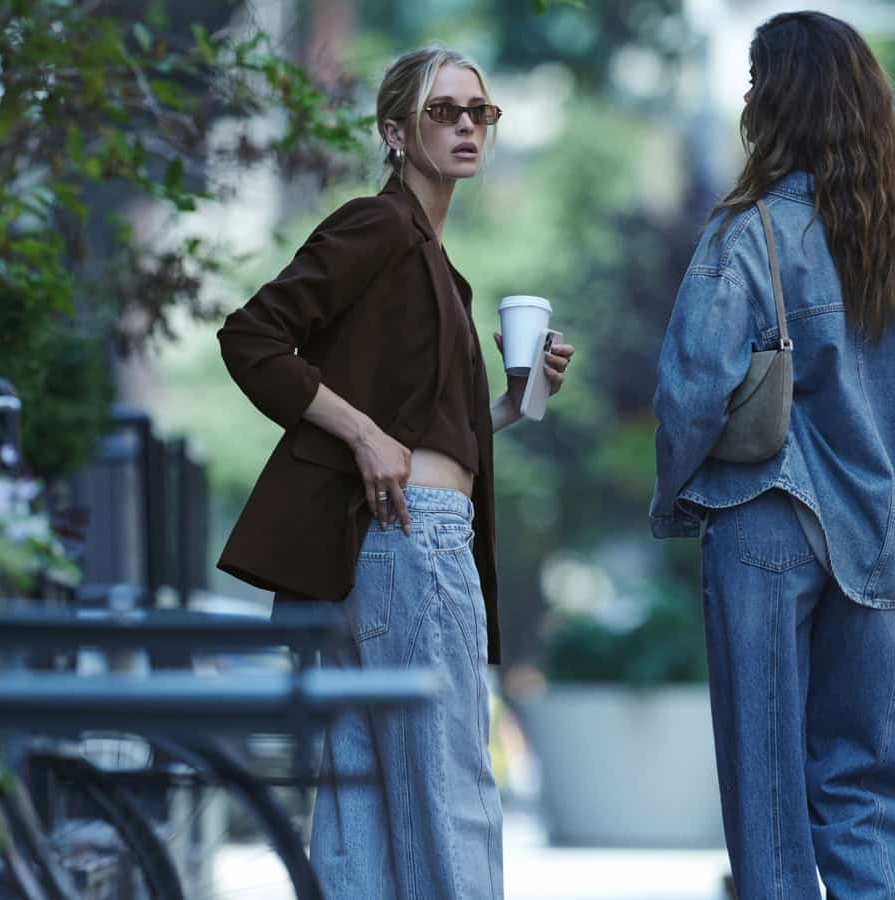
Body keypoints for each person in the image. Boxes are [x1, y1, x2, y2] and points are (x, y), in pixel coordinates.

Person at [214, 45, 573, 900]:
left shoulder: (441, 269)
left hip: (376, 544)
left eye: (479, 113)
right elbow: (251, 337)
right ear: (394, 131)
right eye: (442, 111)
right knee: (449, 793)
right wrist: (363, 434)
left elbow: (430, 441)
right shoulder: (378, 227)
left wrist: (518, 404)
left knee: (362, 806)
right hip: (409, 545)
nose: (465, 127)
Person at [652, 11, 895, 899]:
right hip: (874, 539)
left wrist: (676, 497)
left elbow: (691, 393)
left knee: (767, 803)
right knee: (868, 794)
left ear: (784, 101)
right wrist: (890, 448)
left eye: (759, 82)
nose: (748, 99)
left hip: (762, 519)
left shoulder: (747, 235)